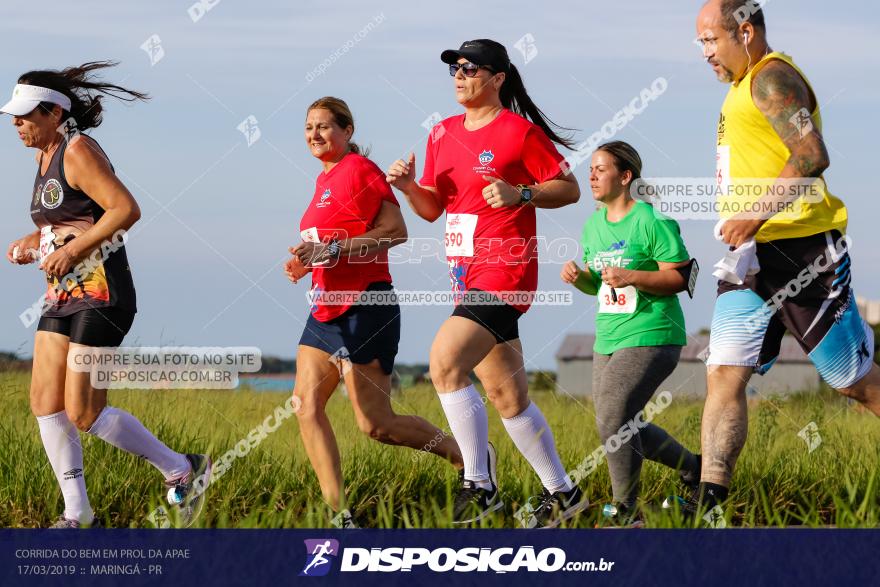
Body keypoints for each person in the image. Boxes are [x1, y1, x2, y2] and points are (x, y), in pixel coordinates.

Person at [691, 0, 879, 520]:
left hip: (805, 253)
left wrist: (752, 214)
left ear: (745, 31)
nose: (705, 53)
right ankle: (711, 503)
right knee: (725, 373)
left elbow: (812, 155)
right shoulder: (738, 86)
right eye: (700, 43)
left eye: (711, 40)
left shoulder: (771, 78)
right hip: (750, 260)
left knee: (855, 384)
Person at [386, 39, 586, 527]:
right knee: (507, 398)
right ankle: (564, 495)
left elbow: (569, 188)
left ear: (497, 78)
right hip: (464, 272)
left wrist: (520, 193)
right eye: (454, 67)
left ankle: (478, 483)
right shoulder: (440, 134)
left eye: (470, 67)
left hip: (506, 270)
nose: (459, 74)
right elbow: (435, 209)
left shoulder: (519, 133)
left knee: (444, 363)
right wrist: (411, 188)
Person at [3, 62, 209, 528]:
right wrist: (31, 243)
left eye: (24, 115)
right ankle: (77, 514)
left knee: (83, 411)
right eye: (14, 116)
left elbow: (124, 209)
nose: (16, 124)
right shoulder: (45, 157)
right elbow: (73, 219)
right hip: (63, 296)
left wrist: (73, 248)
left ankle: (182, 469)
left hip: (103, 295)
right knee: (44, 402)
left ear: (54, 114)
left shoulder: (77, 152)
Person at [286, 97, 463, 528]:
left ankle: (469, 458)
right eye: (309, 127)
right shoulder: (321, 180)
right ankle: (339, 516)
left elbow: (395, 233)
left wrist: (328, 249)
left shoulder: (361, 172)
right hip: (324, 310)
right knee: (305, 406)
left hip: (368, 303)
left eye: (324, 126)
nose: (314, 134)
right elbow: (329, 247)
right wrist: (305, 262)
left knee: (377, 424)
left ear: (347, 131)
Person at [561, 141, 700, 526]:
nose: (591, 175)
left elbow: (679, 277)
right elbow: (600, 286)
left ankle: (625, 510)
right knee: (621, 424)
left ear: (625, 177)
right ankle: (695, 470)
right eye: (590, 169)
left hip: (654, 332)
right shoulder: (593, 225)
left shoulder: (650, 221)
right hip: (608, 337)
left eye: (601, 169)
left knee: (612, 420)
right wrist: (580, 279)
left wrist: (633, 276)